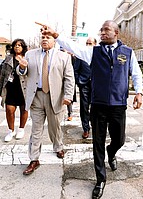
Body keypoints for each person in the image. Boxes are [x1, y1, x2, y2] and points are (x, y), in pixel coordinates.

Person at [40, 20, 143, 199]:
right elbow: (73, 47)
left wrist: (139, 92)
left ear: (116, 32)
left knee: (119, 139)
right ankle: (100, 179)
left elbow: (136, 73)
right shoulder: (93, 52)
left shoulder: (127, 52)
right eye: (101, 30)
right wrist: (56, 34)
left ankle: (112, 153)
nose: (102, 32)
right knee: (98, 142)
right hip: (98, 104)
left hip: (118, 104)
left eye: (106, 30)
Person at [17, 33, 75, 175]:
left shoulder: (64, 57)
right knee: (36, 130)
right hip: (36, 96)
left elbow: (69, 78)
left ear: (54, 41)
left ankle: (58, 146)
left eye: (48, 37)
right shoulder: (30, 54)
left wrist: (68, 96)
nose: (44, 39)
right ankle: (34, 159)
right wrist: (22, 67)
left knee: (54, 127)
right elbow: (21, 72)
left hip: (55, 97)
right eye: (42, 37)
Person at [0, 39, 28, 142]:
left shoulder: (27, 58)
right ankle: (11, 131)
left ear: (23, 47)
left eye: (20, 45)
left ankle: (21, 129)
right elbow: (2, 75)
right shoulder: (8, 59)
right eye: (15, 45)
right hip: (10, 88)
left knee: (24, 109)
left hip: (24, 88)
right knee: (9, 110)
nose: (17, 47)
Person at [74, 37, 97, 139]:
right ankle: (86, 129)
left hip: (97, 85)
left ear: (95, 45)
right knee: (84, 107)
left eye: (90, 43)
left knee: (96, 108)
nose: (88, 45)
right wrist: (79, 81)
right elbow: (75, 70)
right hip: (84, 85)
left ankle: (96, 127)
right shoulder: (80, 55)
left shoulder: (99, 55)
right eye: (87, 43)